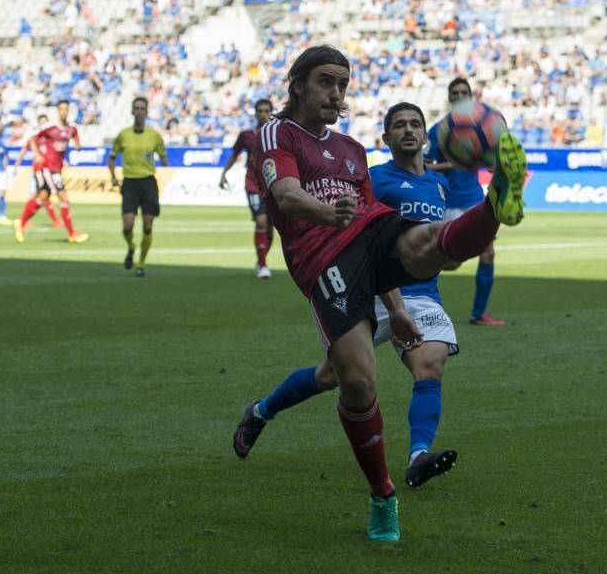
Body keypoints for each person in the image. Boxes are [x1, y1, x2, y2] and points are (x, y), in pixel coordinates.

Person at [233, 45, 526, 542]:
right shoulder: (276, 133)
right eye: (326, 81)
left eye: (343, 85)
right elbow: (284, 195)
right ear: (299, 83)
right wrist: (331, 214)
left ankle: (496, 205)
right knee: (356, 384)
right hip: (323, 261)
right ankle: (382, 493)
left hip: (366, 238)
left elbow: (371, 233)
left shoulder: (352, 151)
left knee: (428, 242)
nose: (335, 93)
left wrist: (396, 306)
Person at [234, 102, 460, 490]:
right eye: (399, 125)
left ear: (426, 136)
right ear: (385, 138)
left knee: (431, 367)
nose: (408, 131)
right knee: (329, 377)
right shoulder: (375, 178)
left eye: (415, 125)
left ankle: (418, 455)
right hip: (369, 289)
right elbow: (363, 239)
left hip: (423, 295)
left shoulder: (440, 185)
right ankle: (261, 411)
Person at [425, 77, 504, 326]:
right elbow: (424, 165)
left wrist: (494, 164)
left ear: (470, 97)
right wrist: (454, 164)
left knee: (488, 251)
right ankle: (414, 299)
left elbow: (490, 161)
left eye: (464, 92)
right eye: (455, 92)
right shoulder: (439, 130)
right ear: (450, 98)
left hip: (473, 198)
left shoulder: (484, 124)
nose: (459, 96)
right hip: (447, 201)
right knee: (449, 262)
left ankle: (478, 313)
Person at [12, 100, 88, 243]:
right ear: (58, 111)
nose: (63, 112)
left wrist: (78, 145)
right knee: (63, 198)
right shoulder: (49, 127)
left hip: (57, 168)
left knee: (41, 198)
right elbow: (32, 139)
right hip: (48, 168)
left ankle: (21, 222)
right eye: (61, 109)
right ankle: (72, 234)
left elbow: (76, 138)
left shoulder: (72, 128)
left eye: (66, 109)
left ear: (68, 111)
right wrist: (37, 153)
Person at [108, 96, 168, 277]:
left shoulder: (155, 136)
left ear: (147, 112)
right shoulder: (123, 135)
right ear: (132, 111)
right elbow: (111, 157)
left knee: (148, 226)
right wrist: (112, 176)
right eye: (137, 108)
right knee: (127, 226)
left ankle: (140, 264)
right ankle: (131, 247)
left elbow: (164, 158)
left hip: (148, 182)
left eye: (143, 108)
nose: (140, 111)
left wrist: (166, 167)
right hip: (130, 183)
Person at [219, 98, 275, 278]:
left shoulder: (278, 134)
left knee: (270, 227)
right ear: (256, 113)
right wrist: (223, 173)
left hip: (273, 185)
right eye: (260, 111)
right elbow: (234, 155)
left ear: (271, 113)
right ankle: (264, 265)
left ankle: (260, 261)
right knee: (261, 221)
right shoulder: (246, 135)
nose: (263, 114)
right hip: (253, 185)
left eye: (267, 111)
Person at [16, 113, 63, 229]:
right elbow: (25, 149)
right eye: (41, 122)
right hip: (39, 169)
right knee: (44, 194)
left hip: (48, 169)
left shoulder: (49, 137)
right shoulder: (36, 136)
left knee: (40, 195)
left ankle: (23, 220)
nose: (43, 125)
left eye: (45, 122)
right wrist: (17, 164)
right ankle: (24, 220)